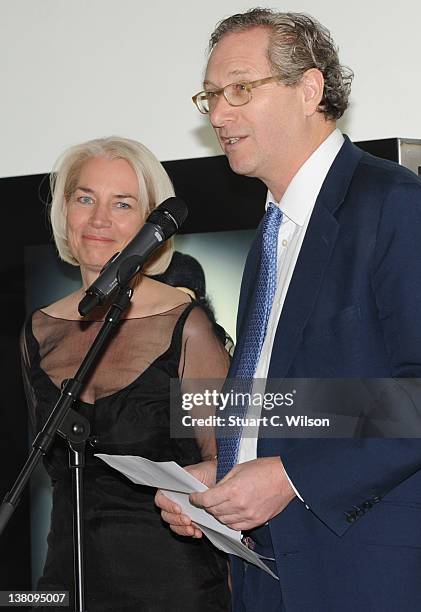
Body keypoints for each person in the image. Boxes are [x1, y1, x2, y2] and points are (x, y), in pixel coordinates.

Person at [156, 9, 421, 612]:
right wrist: (223, 474)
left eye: (240, 89)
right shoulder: (271, 238)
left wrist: (292, 477)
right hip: (267, 571)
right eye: (211, 96)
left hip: (365, 571)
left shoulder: (395, 204)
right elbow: (287, 406)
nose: (219, 115)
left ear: (309, 89)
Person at [21, 136, 231, 611]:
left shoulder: (187, 325)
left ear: (150, 225)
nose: (99, 219)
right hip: (64, 585)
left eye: (122, 204)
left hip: (174, 591)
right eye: (85, 198)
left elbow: (228, 465)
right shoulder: (37, 331)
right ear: (65, 212)